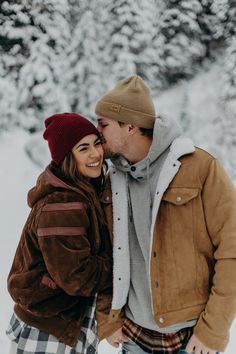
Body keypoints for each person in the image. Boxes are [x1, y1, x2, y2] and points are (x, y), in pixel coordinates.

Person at [94, 75, 236, 354]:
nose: (97, 132)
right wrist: (107, 319)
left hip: (192, 339)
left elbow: (232, 250)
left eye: (103, 124)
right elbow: (102, 253)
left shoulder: (200, 167)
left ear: (131, 127)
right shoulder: (111, 180)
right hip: (133, 338)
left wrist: (213, 330)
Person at [6, 112, 112, 354]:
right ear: (67, 157)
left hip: (56, 323)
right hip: (48, 331)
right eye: (83, 148)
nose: (95, 153)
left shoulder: (80, 190)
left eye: (97, 143)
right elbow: (77, 277)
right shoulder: (62, 205)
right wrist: (121, 264)